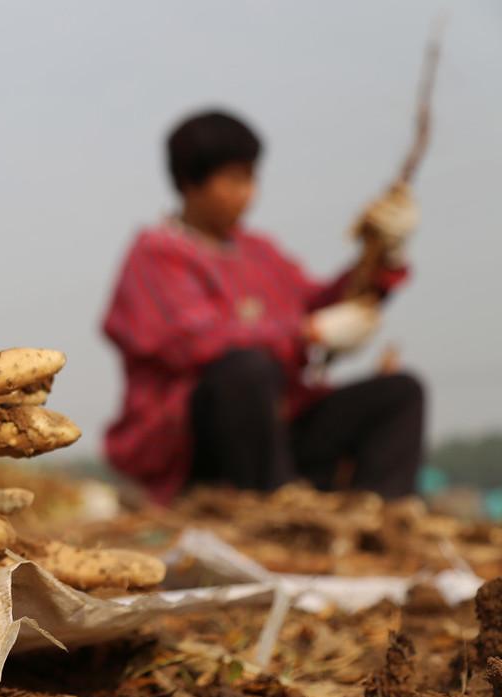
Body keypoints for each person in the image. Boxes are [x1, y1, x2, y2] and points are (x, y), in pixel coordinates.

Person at [101, 110, 424, 504]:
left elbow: (320, 301)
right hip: (197, 445)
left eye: (251, 179)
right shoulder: (156, 252)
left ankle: (378, 517)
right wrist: (308, 332)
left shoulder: (260, 253)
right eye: (234, 180)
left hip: (281, 429)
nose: (248, 193)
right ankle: (274, 506)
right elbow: (193, 340)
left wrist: (381, 257)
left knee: (401, 393)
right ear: (190, 183)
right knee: (245, 369)